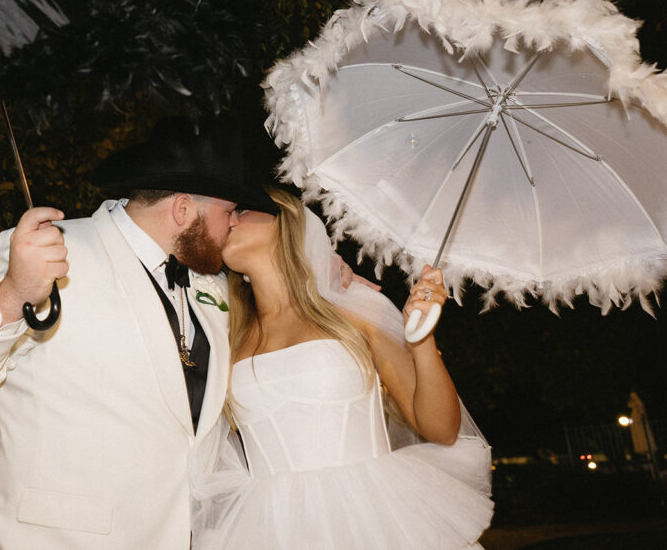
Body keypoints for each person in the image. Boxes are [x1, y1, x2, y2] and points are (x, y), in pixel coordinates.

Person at [0, 117, 281, 548]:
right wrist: (14, 294)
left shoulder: (211, 288)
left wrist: (341, 286)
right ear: (183, 210)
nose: (235, 223)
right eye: (229, 211)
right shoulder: (48, 252)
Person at [191, 188, 494, 548]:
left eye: (242, 210)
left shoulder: (357, 309)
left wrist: (421, 339)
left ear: (288, 222)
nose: (231, 218)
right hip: (272, 530)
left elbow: (441, 430)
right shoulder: (222, 330)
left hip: (375, 519)